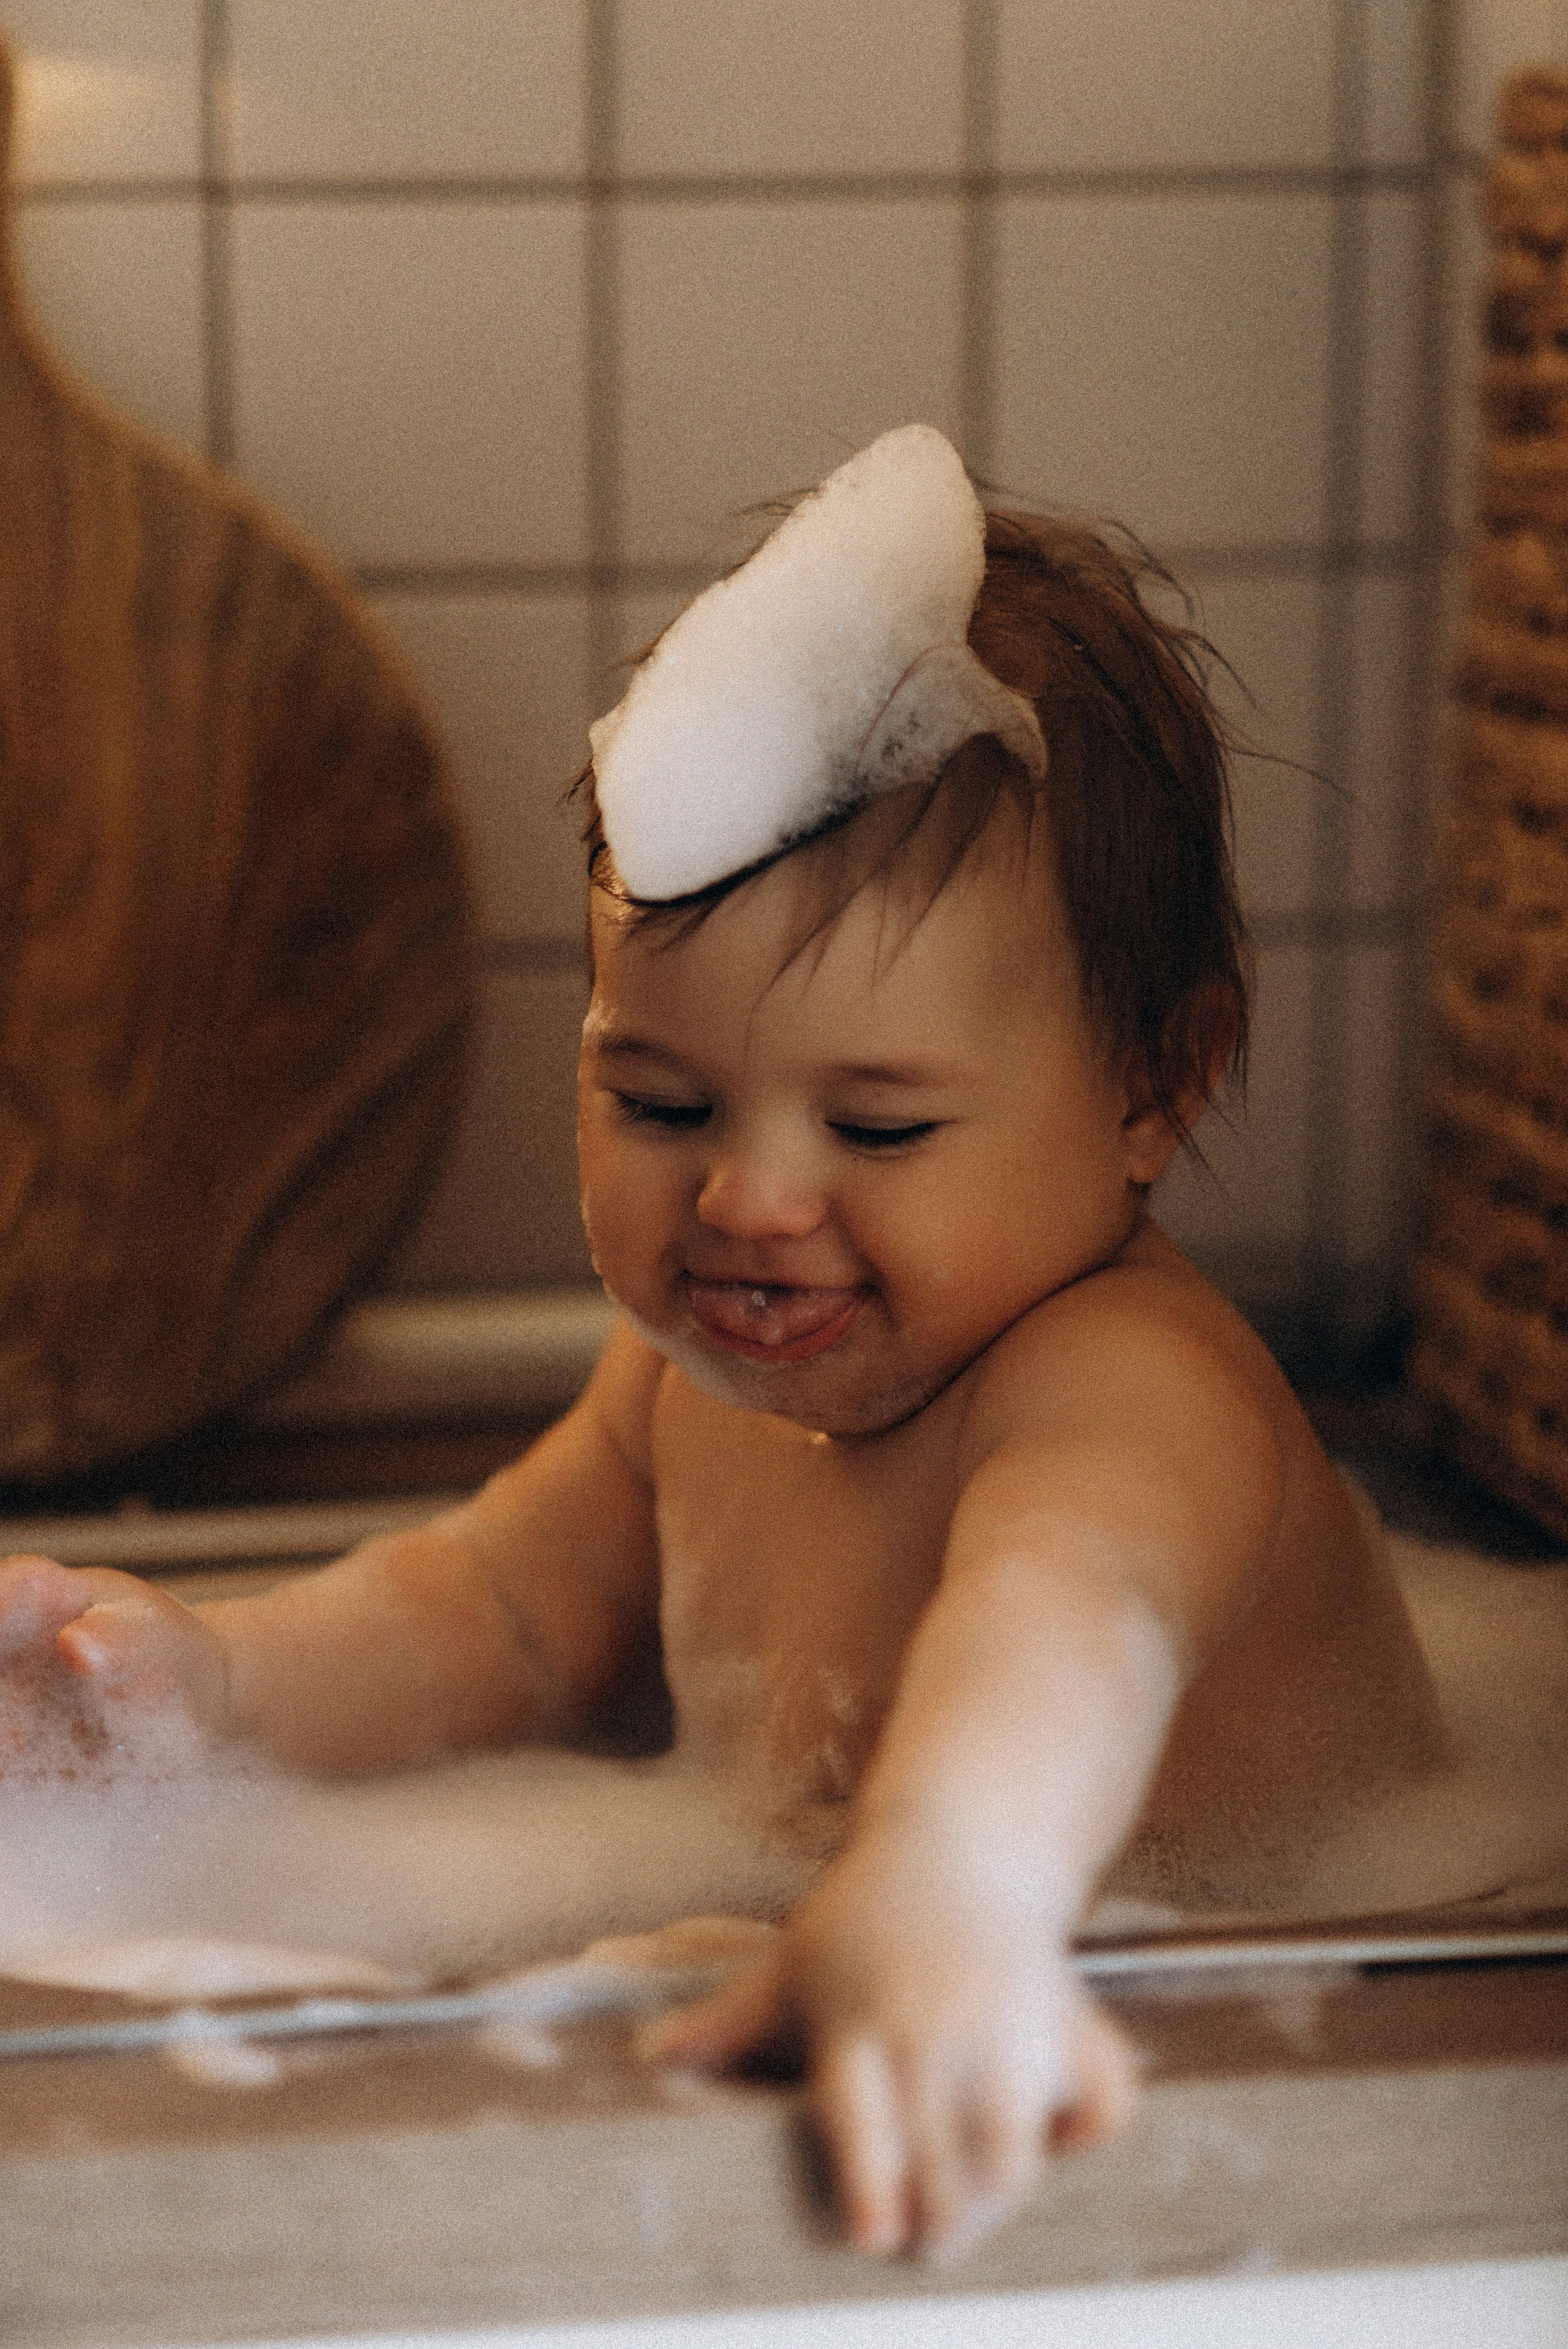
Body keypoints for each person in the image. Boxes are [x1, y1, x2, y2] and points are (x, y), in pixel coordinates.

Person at [0, 429, 1446, 2260]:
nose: (751, 1200)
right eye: (662, 1101)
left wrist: (952, 1880)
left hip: (1243, 2052)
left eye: (879, 1127)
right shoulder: (696, 1381)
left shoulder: (1129, 1388)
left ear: (1158, 1086)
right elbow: (504, 1616)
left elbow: (1072, 1620)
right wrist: (210, 1687)